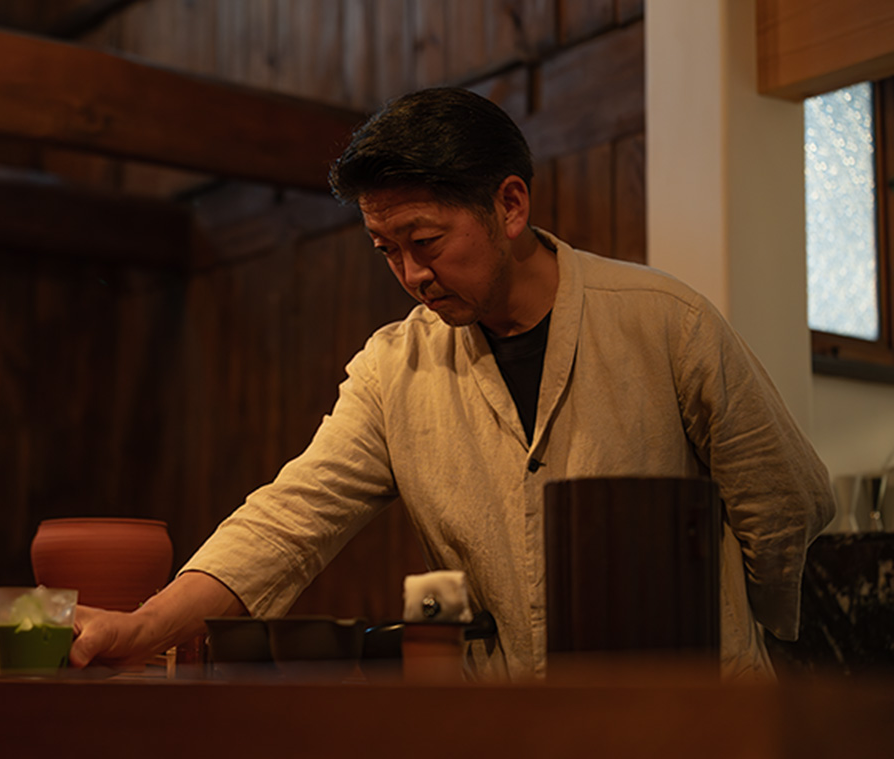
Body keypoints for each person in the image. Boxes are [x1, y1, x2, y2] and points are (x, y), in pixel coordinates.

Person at [63, 87, 834, 681]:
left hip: (689, 724)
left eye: (425, 241)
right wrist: (143, 626)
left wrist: (739, 637)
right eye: (385, 250)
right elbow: (287, 523)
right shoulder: (394, 369)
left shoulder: (664, 321)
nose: (411, 275)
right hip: (517, 735)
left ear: (509, 205)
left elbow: (785, 500)